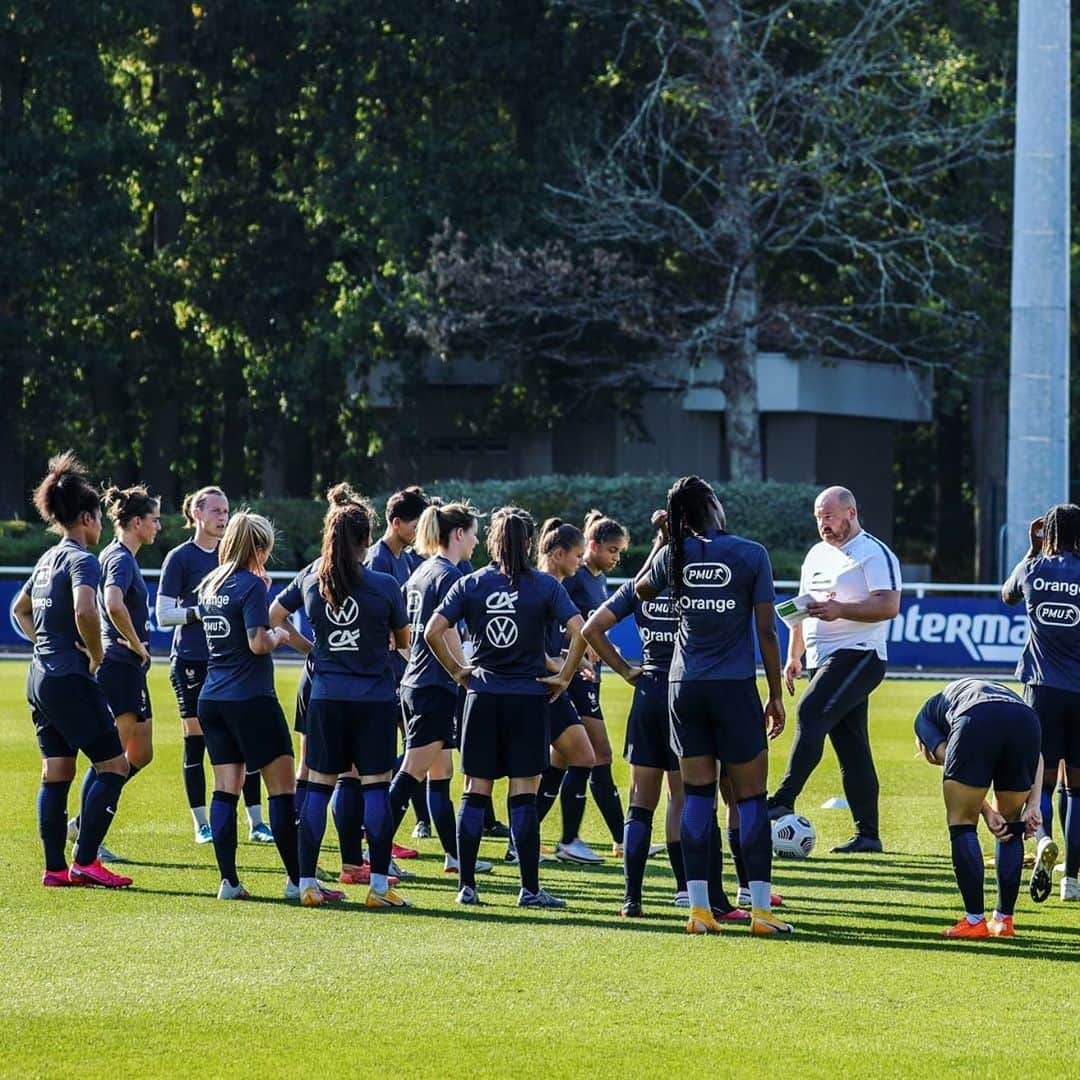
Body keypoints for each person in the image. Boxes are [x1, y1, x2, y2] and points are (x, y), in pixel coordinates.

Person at [636, 476, 791, 936]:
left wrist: (666, 538)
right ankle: (760, 911)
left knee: (697, 796)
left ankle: (700, 910)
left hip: (684, 688)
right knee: (751, 799)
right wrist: (776, 693)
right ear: (710, 505)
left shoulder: (672, 555)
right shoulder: (750, 553)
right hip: (733, 688)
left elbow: (642, 590)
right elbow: (767, 631)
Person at [425, 507, 587, 908]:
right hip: (528, 700)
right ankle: (529, 890)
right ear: (530, 543)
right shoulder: (546, 587)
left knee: (474, 791)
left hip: (482, 698)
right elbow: (582, 629)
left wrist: (461, 672)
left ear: (494, 541)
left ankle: (466, 887)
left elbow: (432, 630)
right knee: (523, 794)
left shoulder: (473, 583)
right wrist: (565, 675)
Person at [283, 486, 412, 908]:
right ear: (366, 539)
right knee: (376, 788)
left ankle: (305, 883)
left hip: (325, 696)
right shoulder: (384, 583)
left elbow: (272, 617)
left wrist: (312, 648)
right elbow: (403, 640)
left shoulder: (311, 578)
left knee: (317, 788)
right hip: (373, 698)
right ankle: (377, 887)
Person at [12, 452, 133, 888]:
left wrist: (43, 642)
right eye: (99, 517)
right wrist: (97, 654)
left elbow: (19, 609)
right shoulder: (83, 559)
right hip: (69, 679)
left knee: (57, 772)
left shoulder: (47, 559)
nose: (100, 526)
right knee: (115, 766)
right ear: (87, 517)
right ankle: (85, 861)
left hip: (39, 677)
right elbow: (86, 609)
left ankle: (54, 869)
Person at [195, 511, 329, 901]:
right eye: (267, 548)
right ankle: (295, 880)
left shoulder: (210, 583)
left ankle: (229, 882)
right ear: (257, 547)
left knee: (224, 790)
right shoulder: (250, 584)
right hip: (251, 699)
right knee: (282, 791)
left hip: (212, 697)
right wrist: (279, 637)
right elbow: (256, 642)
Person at [768, 485, 901, 853]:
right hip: (821, 658)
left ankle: (781, 800)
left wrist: (841, 610)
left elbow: (889, 605)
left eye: (829, 515)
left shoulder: (873, 553)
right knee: (852, 746)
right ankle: (868, 836)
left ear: (851, 513)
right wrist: (793, 656)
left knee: (810, 712)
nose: (823, 524)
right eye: (818, 517)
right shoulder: (815, 555)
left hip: (860, 654)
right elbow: (801, 608)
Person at [583, 519, 695, 917]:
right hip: (685, 693)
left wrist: (626, 669)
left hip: (648, 692)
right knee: (681, 796)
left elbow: (592, 629)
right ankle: (686, 888)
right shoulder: (697, 585)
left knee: (640, 804)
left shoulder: (641, 588)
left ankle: (632, 898)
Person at [158, 487, 272, 845]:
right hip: (192, 659)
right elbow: (163, 615)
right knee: (196, 742)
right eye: (216, 511)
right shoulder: (180, 558)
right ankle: (201, 822)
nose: (222, 517)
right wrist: (201, 612)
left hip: (231, 663)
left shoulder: (235, 560)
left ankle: (256, 821)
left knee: (246, 741)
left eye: (226, 511)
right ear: (196, 513)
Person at [391, 501, 493, 877]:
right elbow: (446, 630)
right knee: (411, 772)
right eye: (474, 532)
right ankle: (377, 853)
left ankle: (454, 857)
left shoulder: (420, 573)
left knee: (440, 772)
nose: (477, 540)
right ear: (459, 533)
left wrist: (415, 661)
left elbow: (399, 635)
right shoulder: (449, 575)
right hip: (433, 686)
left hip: (416, 681)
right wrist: (462, 671)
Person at [65, 485, 160, 862]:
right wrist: (137, 645)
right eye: (154, 520)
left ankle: (81, 823)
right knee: (111, 759)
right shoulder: (119, 558)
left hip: (129, 668)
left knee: (143, 752)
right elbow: (112, 603)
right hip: (120, 667)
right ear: (137, 523)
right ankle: (87, 834)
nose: (158, 526)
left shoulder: (123, 556)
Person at [914, 679, 1043, 937]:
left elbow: (953, 757)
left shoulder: (924, 721)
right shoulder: (964, 694)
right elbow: (1038, 756)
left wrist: (983, 811)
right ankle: (1004, 921)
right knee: (1010, 824)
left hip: (976, 718)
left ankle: (975, 921)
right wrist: (1033, 804)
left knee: (961, 821)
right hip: (1026, 720)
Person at [1002, 505, 1080, 902]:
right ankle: (1072, 880)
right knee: (1078, 790)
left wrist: (1033, 550)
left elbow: (1007, 594)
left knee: (1043, 786)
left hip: (1042, 689)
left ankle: (1044, 840)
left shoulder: (1034, 569)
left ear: (1045, 532)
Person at [365, 485, 435, 841]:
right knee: (398, 752)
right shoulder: (378, 560)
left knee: (413, 746)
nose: (420, 532)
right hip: (384, 671)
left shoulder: (406, 558)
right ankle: (372, 829)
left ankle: (418, 819)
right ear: (395, 523)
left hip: (402, 667)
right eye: (416, 524)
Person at [564, 510, 629, 854]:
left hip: (590, 675)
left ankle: (542, 841)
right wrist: (585, 647)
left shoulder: (596, 579)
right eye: (613, 550)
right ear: (593, 546)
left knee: (561, 761)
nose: (616, 558)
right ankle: (621, 838)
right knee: (598, 754)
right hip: (576, 676)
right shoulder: (573, 579)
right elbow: (565, 625)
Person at [533, 519, 598, 865]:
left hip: (549, 685)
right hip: (541, 688)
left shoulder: (551, 586)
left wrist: (568, 662)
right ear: (558, 554)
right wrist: (560, 666)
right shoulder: (544, 586)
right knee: (585, 757)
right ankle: (569, 841)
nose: (579, 560)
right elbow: (532, 647)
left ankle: (523, 841)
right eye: (575, 554)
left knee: (558, 762)